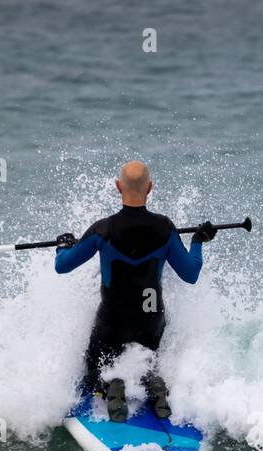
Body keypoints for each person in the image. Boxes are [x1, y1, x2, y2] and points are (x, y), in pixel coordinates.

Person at [54, 160, 215, 421]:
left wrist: (63, 245)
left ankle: (107, 384)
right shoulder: (165, 228)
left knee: (94, 365)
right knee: (148, 351)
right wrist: (198, 241)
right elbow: (190, 274)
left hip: (111, 323)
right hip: (151, 322)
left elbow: (62, 266)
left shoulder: (101, 230)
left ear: (118, 187)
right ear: (149, 188)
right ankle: (151, 380)